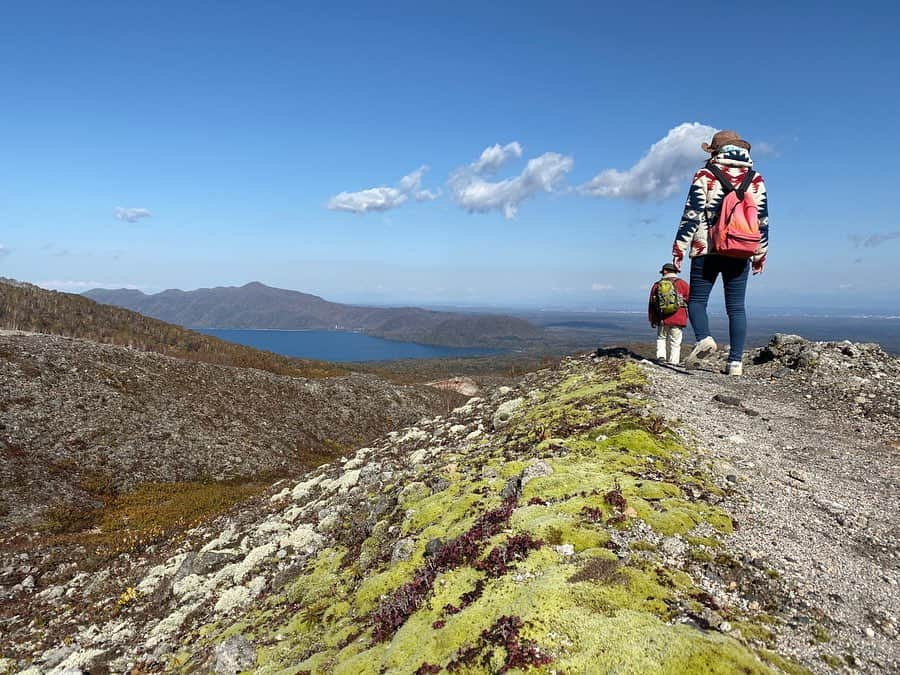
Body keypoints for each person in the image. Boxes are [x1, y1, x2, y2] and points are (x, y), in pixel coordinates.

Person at [672, 130, 769, 376]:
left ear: (714, 151)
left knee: (696, 302)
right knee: (736, 308)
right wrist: (760, 254)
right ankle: (735, 362)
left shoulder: (704, 175)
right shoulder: (755, 178)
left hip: (706, 249)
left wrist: (679, 248)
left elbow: (691, 215)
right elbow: (762, 220)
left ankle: (704, 338)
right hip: (741, 249)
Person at [648, 263, 689, 365]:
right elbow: (690, 300)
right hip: (678, 317)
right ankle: (674, 362)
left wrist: (652, 319)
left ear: (665, 271)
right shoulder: (683, 284)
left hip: (662, 318)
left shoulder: (657, 285)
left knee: (661, 338)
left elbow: (652, 304)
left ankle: (661, 357)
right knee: (675, 342)